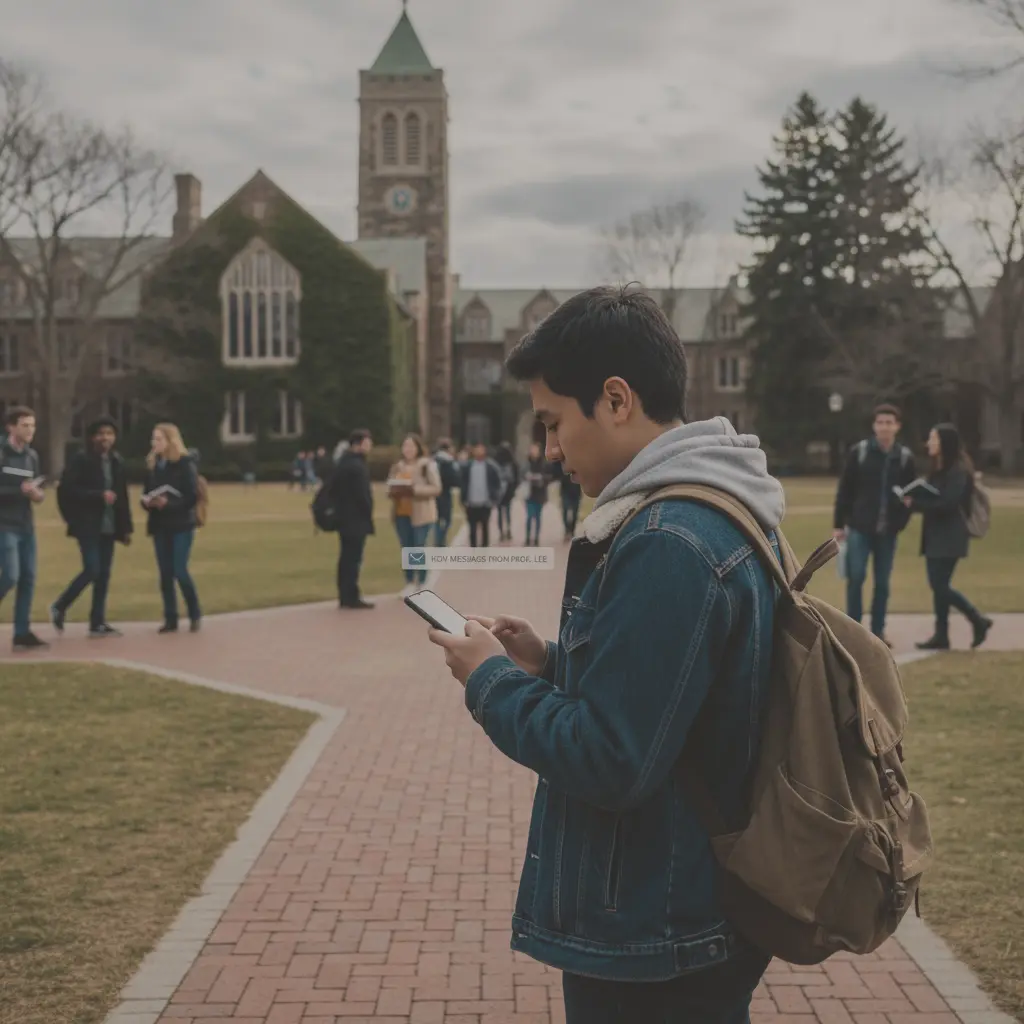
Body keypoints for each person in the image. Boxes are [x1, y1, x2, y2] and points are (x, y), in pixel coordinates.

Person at [426, 285, 784, 1023]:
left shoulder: (667, 540)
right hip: (686, 912)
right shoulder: (716, 506)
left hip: (657, 929)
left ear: (616, 400)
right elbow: (682, 700)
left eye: (554, 424)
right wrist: (553, 663)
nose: (548, 450)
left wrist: (489, 680)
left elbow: (612, 760)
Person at [903, 423, 993, 650]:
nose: (929, 443)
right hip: (935, 534)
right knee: (939, 586)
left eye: (933, 439)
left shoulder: (959, 471)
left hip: (950, 535)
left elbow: (948, 503)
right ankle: (942, 634)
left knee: (940, 585)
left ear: (945, 442)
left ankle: (977, 619)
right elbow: (936, 499)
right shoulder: (940, 468)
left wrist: (916, 503)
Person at [833, 403, 917, 644]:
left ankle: (878, 631)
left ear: (897, 426)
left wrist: (901, 522)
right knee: (856, 577)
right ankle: (853, 630)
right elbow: (845, 490)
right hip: (859, 527)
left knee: (882, 583)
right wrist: (839, 524)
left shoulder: (904, 458)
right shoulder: (859, 452)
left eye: (889, 423)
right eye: (880, 422)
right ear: (874, 425)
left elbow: (911, 495)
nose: (884, 427)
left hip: (888, 531)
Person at [50, 416, 133, 637]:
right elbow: (67, 490)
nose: (105, 438)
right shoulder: (81, 460)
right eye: (101, 433)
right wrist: (97, 496)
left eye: (109, 434)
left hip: (109, 524)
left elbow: (122, 496)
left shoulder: (117, 461)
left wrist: (125, 528)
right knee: (92, 569)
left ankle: (97, 622)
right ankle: (60, 605)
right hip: (87, 525)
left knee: (104, 574)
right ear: (92, 437)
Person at [141, 422, 202, 633]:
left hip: (181, 524)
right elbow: (146, 492)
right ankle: (170, 617)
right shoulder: (153, 465)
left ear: (170, 441)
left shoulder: (184, 463)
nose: (154, 443)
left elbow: (192, 496)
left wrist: (170, 503)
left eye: (158, 439)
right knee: (165, 573)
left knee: (180, 570)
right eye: (153, 439)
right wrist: (148, 502)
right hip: (160, 525)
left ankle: (194, 613)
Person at [0, 405, 47, 650]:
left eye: (33, 425)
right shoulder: (2, 452)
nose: (30, 430)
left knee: (28, 578)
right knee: (10, 576)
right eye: (25, 425)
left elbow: (36, 488)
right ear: (11, 427)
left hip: (26, 525)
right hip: (4, 524)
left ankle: (22, 633)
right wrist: (18, 491)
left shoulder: (32, 456)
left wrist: (37, 495)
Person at [387, 433, 441, 597]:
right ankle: (409, 582)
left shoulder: (426, 465)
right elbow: (389, 487)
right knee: (407, 548)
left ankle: (423, 582)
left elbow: (436, 488)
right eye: (405, 446)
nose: (408, 449)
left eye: (411, 446)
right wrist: (394, 491)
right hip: (402, 513)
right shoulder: (397, 467)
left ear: (418, 448)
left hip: (422, 514)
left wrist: (414, 490)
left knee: (418, 548)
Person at [329, 429, 375, 609]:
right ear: (359, 443)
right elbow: (362, 495)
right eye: (367, 442)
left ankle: (344, 594)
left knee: (345, 557)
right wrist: (367, 511)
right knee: (353, 558)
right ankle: (351, 595)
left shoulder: (343, 462)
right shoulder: (356, 466)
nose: (370, 445)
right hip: (355, 519)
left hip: (344, 518)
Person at [459, 442, 501, 548]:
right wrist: (463, 498)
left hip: (485, 503)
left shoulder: (490, 466)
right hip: (471, 503)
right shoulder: (468, 466)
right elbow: (462, 482)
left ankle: (484, 549)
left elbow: (498, 483)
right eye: (477, 449)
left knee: (485, 527)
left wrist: (494, 498)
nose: (479, 451)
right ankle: (473, 549)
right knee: (472, 528)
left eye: (481, 449)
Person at [433, 438, 460, 547]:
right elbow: (454, 479)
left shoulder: (433, 460)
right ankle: (440, 542)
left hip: (434, 494)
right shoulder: (448, 461)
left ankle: (438, 541)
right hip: (445, 493)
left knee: (437, 520)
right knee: (446, 520)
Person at [522, 441, 550, 546]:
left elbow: (548, 477)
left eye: (535, 449)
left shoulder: (543, 464)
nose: (533, 452)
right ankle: (528, 538)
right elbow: (521, 475)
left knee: (537, 517)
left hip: (539, 494)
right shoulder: (527, 463)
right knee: (529, 517)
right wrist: (527, 477)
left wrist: (540, 478)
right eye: (531, 449)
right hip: (529, 493)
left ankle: (536, 538)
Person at [494, 441, 519, 541]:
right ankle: (508, 530)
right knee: (507, 512)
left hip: (500, 491)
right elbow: (516, 478)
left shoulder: (495, 462)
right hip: (509, 490)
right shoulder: (513, 463)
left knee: (500, 512)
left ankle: (501, 532)